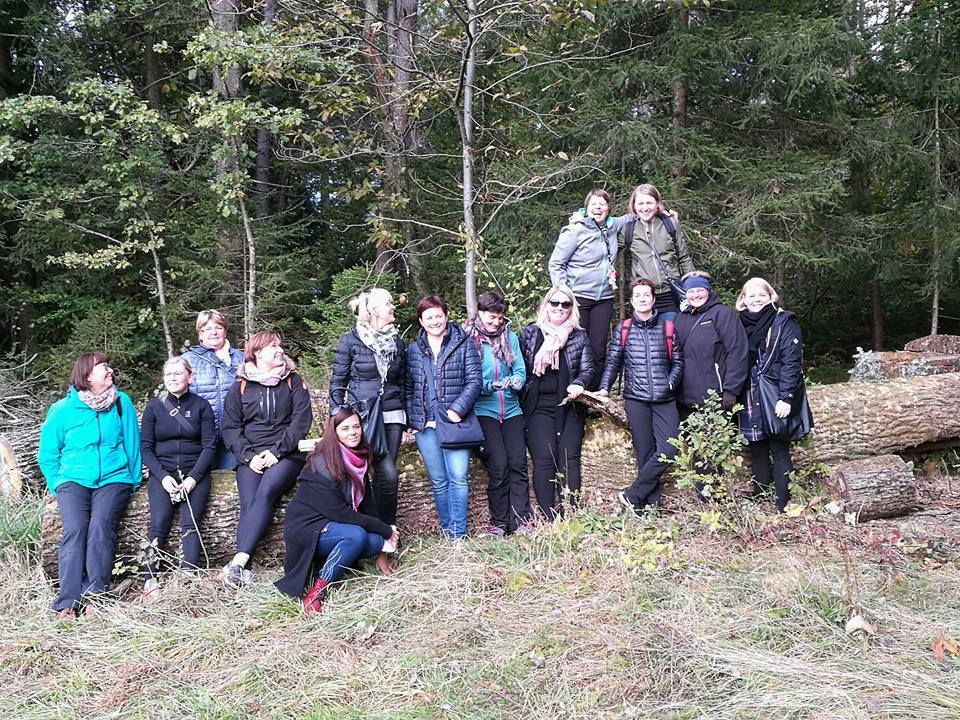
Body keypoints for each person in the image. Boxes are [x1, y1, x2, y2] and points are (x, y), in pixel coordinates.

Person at [37, 353, 141, 619]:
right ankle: (67, 601)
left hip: (114, 478)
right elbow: (47, 454)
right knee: (75, 529)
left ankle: (96, 595)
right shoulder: (62, 409)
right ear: (87, 375)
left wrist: (131, 481)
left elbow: (132, 445)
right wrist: (56, 484)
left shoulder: (121, 402)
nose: (110, 370)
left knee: (100, 527)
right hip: (73, 480)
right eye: (103, 367)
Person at [275, 408, 398, 614]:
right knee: (356, 536)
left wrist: (382, 548)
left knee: (374, 541)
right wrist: (386, 530)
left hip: (333, 525)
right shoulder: (321, 462)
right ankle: (315, 594)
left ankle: (335, 565)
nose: (353, 432)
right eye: (345, 428)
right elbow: (341, 514)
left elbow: (368, 504)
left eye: (356, 427)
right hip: (308, 527)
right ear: (335, 432)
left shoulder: (358, 457)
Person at [221, 331, 313, 586]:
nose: (280, 350)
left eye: (280, 346)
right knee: (248, 501)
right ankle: (244, 570)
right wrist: (249, 456)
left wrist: (277, 452)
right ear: (258, 353)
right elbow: (230, 428)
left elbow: (301, 421)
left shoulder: (293, 381)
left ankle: (239, 560)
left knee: (267, 490)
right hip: (251, 455)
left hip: (287, 454)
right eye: (274, 346)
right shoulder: (240, 385)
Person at [597, 278, 684, 514]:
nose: (642, 299)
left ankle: (632, 495)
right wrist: (604, 388)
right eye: (638, 295)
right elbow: (613, 361)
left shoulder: (667, 327)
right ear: (632, 300)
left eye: (647, 295)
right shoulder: (624, 329)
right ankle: (648, 507)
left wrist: (670, 383)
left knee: (669, 450)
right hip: (636, 399)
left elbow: (678, 362)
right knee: (644, 452)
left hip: (665, 399)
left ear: (654, 299)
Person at [405, 295, 482, 539]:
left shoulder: (464, 343)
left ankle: (458, 534)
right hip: (425, 425)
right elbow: (408, 387)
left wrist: (457, 409)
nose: (434, 321)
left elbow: (474, 381)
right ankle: (448, 530)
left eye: (438, 315)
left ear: (446, 316)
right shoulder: (414, 349)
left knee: (458, 478)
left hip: (455, 423)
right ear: (421, 321)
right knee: (438, 481)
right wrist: (412, 421)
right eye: (429, 317)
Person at [328, 288, 406, 525]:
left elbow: (403, 382)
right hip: (361, 416)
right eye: (388, 304)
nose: (393, 307)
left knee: (387, 473)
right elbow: (338, 381)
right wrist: (337, 416)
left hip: (392, 414)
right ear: (374, 311)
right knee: (362, 473)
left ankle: (387, 528)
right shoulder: (351, 340)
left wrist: (408, 420)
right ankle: (368, 528)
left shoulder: (397, 342)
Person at [519, 285, 595, 519]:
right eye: (555, 303)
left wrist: (579, 383)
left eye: (566, 304)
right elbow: (520, 368)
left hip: (569, 405)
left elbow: (588, 368)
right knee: (544, 458)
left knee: (569, 458)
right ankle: (548, 517)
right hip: (538, 406)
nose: (560, 308)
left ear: (572, 308)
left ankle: (570, 515)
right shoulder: (531, 333)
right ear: (547, 305)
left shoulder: (579, 336)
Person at [140, 357, 216, 584]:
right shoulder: (154, 407)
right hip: (163, 473)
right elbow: (145, 448)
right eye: (168, 374)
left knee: (190, 523)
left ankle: (188, 577)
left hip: (195, 472)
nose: (172, 378)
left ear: (190, 377)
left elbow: (209, 446)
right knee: (158, 522)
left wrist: (193, 479)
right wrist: (163, 477)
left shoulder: (202, 406)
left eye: (177, 373)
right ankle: (149, 580)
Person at [673, 272, 749, 499]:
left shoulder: (722, 315)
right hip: (686, 399)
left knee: (714, 451)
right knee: (696, 451)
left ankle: (713, 500)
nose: (696, 295)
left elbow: (737, 352)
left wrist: (731, 390)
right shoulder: (680, 319)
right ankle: (704, 499)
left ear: (708, 291)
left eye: (700, 290)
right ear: (685, 294)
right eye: (691, 291)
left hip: (715, 398)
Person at [548, 189, 633, 387]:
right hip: (577, 298)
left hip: (603, 299)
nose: (598, 208)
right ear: (586, 208)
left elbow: (633, 216)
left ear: (608, 208)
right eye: (594, 204)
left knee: (598, 349)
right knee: (575, 347)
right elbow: (556, 264)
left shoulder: (612, 226)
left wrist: (665, 214)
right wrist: (565, 295)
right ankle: (569, 392)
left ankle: (593, 394)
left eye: (602, 204)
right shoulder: (575, 230)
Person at [465, 290, 531, 535]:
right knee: (499, 464)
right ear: (480, 314)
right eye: (491, 317)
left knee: (518, 463)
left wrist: (516, 381)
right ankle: (499, 522)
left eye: (500, 318)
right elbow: (467, 379)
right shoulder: (468, 339)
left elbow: (520, 370)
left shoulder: (509, 337)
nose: (496, 322)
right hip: (484, 409)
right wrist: (489, 386)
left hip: (512, 408)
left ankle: (521, 520)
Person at [736, 277, 804, 512]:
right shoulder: (737, 323)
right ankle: (761, 496)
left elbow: (791, 362)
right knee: (756, 447)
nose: (756, 300)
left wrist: (786, 397)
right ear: (743, 299)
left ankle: (781, 505)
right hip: (748, 390)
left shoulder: (783, 321)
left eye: (761, 295)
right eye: (751, 295)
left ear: (770, 296)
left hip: (774, 391)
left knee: (778, 447)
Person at [181, 310, 244, 470]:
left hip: (234, 436)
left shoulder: (241, 358)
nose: (214, 332)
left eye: (218, 327)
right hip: (201, 438)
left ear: (225, 331)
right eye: (207, 329)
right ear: (200, 333)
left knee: (231, 480)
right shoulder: (187, 360)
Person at [620, 184, 695, 319]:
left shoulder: (670, 224)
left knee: (671, 329)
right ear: (634, 206)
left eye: (649, 203)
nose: (645, 208)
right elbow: (606, 248)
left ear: (657, 204)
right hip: (643, 295)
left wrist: (693, 284)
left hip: (670, 293)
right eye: (640, 203)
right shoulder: (627, 229)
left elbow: (683, 256)